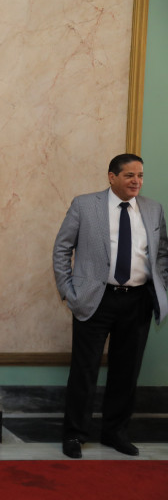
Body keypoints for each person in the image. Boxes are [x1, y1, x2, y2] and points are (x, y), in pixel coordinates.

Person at [53, 153, 168, 459]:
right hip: (96, 298)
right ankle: (74, 434)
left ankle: (115, 432)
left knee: (126, 371)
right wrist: (69, 291)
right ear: (112, 177)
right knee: (84, 369)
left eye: (140, 175)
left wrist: (160, 287)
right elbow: (62, 248)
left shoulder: (153, 209)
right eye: (130, 175)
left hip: (138, 301)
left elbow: (161, 254)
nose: (136, 181)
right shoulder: (84, 205)